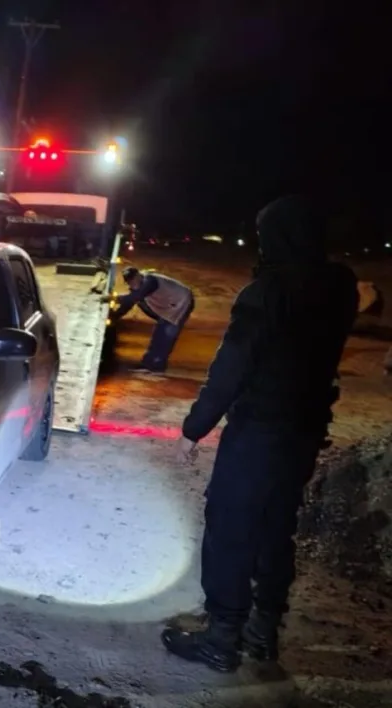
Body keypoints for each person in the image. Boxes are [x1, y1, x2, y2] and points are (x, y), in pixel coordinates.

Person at [163, 195, 359, 672]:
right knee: (276, 527)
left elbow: (232, 367)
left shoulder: (267, 292)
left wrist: (195, 427)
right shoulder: (340, 286)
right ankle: (262, 632)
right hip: (305, 431)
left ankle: (221, 636)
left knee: (232, 525)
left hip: (259, 431)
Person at [107, 266, 195, 373]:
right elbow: (128, 304)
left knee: (167, 334)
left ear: (138, 276)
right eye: (129, 282)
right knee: (159, 333)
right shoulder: (138, 288)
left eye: (133, 280)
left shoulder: (150, 281)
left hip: (182, 302)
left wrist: (114, 298)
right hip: (168, 306)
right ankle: (148, 363)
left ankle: (157, 365)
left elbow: (134, 297)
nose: (132, 284)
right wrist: (113, 317)